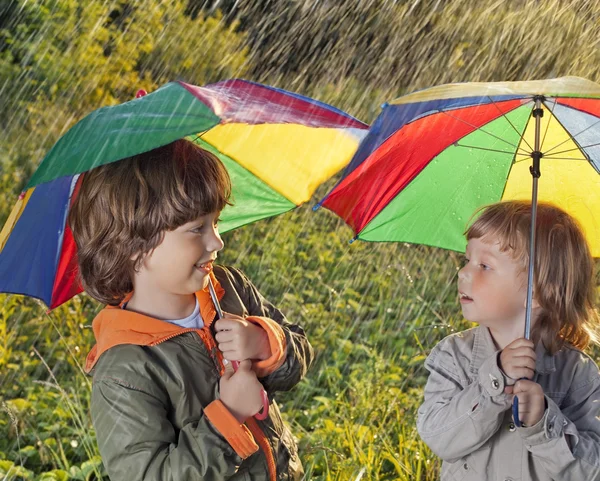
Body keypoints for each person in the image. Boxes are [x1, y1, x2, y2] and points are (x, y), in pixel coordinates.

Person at [69, 139, 313, 481]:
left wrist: (264, 344)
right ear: (133, 247)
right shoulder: (125, 369)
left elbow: (299, 356)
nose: (217, 241)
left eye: (216, 222)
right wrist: (228, 417)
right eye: (197, 228)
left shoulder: (228, 290)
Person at [417, 200, 600, 480]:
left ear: (537, 292)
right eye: (468, 260)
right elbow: (438, 437)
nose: (463, 272)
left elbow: (590, 471)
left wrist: (544, 425)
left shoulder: (577, 375)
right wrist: (494, 383)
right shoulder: (453, 357)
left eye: (485, 265)